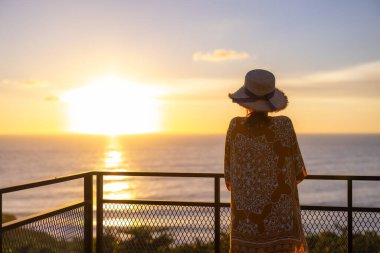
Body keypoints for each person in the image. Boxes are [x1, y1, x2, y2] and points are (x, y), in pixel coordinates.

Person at [224, 69, 308, 253]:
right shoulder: (284, 125)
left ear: (246, 101)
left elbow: (229, 178)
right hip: (281, 225)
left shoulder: (235, 127)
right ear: (272, 102)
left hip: (245, 226)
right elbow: (298, 173)